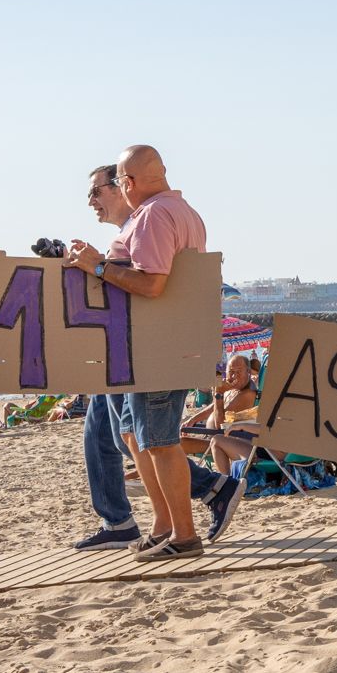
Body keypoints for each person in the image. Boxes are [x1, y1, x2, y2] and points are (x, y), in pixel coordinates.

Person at [65, 146, 234, 562]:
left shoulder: (154, 215)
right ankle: (165, 527)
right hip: (158, 346)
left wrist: (98, 268)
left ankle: (184, 535)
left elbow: (153, 284)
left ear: (128, 182)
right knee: (138, 437)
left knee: (159, 442)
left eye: (120, 181)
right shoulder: (179, 210)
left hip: (156, 348)